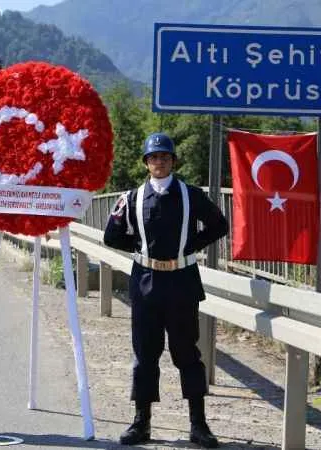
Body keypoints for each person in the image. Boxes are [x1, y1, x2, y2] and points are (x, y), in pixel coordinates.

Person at [103, 132, 228, 448]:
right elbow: (111, 236)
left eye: (165, 157)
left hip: (182, 283)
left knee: (187, 354)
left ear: (173, 161)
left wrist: (191, 246)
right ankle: (141, 423)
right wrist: (138, 247)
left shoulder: (191, 195)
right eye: (153, 157)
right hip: (146, 284)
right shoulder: (131, 198)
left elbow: (219, 225)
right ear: (146, 162)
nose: (159, 162)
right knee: (145, 355)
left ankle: (199, 425)